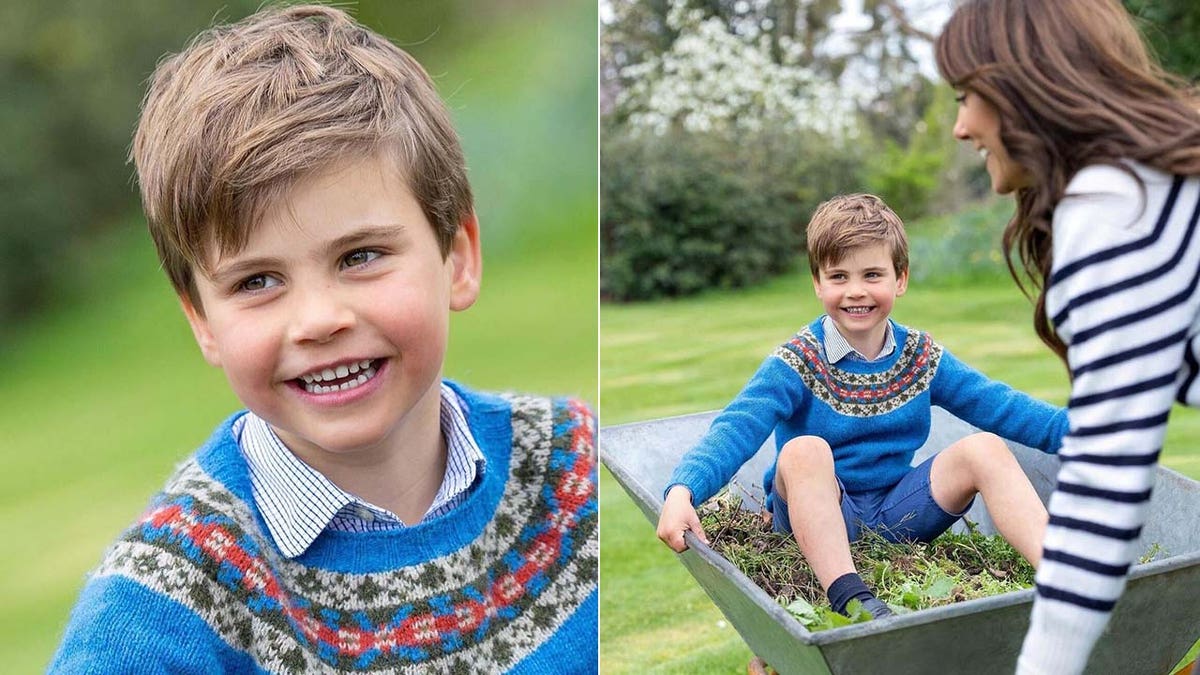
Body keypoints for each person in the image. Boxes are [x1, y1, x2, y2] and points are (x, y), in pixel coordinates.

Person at [48, 5, 597, 673]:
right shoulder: (164, 607)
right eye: (256, 281)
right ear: (200, 318)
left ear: (458, 256)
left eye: (360, 256)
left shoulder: (575, 471)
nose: (318, 319)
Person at [936, 0, 1200, 672]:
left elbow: (1105, 484)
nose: (962, 127)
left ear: (1023, 88)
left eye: (968, 96)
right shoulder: (1155, 182)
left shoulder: (1113, 213)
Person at [656, 193, 1070, 621]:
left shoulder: (920, 356)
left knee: (984, 447)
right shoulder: (799, 360)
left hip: (897, 512)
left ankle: (1062, 579)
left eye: (873, 274)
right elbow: (737, 426)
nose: (856, 291)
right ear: (817, 282)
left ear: (900, 279)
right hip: (815, 516)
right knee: (803, 450)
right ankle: (851, 598)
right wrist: (684, 490)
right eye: (838, 276)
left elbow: (1000, 406)